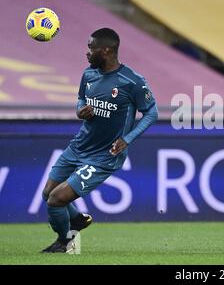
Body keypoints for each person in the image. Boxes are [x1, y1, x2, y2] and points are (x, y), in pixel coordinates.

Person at [41, 28, 158, 253]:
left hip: (105, 155)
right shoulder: (89, 74)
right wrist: (80, 111)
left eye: (90, 48)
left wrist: (127, 139)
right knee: (47, 193)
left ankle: (64, 243)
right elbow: (80, 98)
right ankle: (76, 220)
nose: (87, 53)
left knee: (56, 199)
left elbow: (151, 112)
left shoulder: (131, 81)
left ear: (106, 51)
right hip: (79, 145)